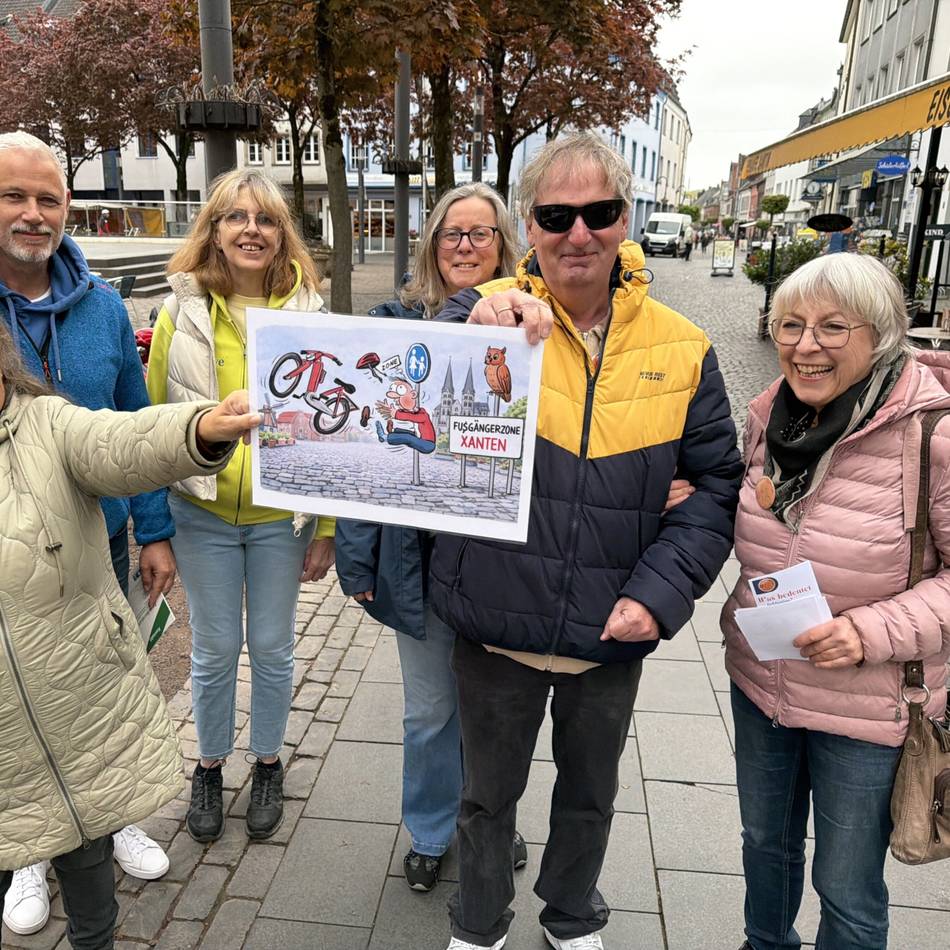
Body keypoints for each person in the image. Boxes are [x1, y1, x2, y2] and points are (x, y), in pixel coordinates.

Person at [428, 131, 743, 950]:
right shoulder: (480, 316)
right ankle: (478, 923)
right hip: (496, 623)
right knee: (485, 798)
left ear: (625, 219)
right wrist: (472, 326)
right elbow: (410, 412)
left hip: (613, 624)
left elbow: (716, 484)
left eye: (597, 212)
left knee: (590, 795)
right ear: (528, 226)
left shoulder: (683, 346)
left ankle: (571, 918)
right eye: (557, 214)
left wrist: (660, 595)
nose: (578, 233)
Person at [0, 316, 260, 950]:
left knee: (90, 882)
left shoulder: (45, 421)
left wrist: (199, 426)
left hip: (74, 710)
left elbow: (121, 439)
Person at [723, 253, 950, 950]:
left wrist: (872, 631)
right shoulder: (771, 415)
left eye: (830, 327)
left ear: (881, 335)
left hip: (869, 700)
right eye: (789, 325)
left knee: (847, 887)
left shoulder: (932, 433)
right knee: (765, 845)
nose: (804, 345)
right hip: (764, 681)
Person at [0, 131, 174, 935]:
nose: (34, 215)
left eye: (49, 199)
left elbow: (134, 427)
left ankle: (111, 813)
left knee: (100, 697)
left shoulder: (103, 306)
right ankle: (28, 854)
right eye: (14, 196)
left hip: (97, 549)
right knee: (22, 714)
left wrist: (154, 530)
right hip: (14, 569)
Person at [335, 182, 526, 892]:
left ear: (504, 245)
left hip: (505, 561)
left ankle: (491, 823)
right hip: (417, 559)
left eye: (481, 234)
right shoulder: (390, 324)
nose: (467, 247)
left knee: (497, 711)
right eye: (454, 234)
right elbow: (360, 455)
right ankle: (432, 827)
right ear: (431, 244)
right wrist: (357, 557)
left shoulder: (537, 328)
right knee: (429, 710)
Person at [146, 168, 335, 844]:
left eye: (265, 219)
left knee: (275, 648)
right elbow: (153, 422)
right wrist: (155, 527)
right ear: (216, 231)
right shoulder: (181, 310)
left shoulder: (312, 314)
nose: (251, 229)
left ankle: (268, 760)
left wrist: (329, 528)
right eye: (236, 217)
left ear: (282, 234)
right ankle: (208, 763)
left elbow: (336, 428)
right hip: (201, 513)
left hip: (281, 520)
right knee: (216, 648)